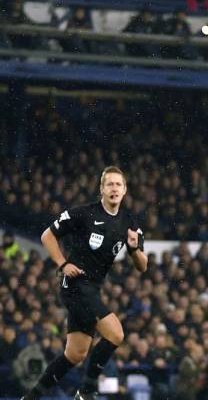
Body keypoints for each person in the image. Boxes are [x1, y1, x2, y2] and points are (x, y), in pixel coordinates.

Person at [22, 166, 148, 400]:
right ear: (101, 189)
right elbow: (47, 236)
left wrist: (134, 249)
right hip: (74, 285)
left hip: (92, 290)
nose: (114, 188)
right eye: (109, 184)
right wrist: (62, 263)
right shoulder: (84, 213)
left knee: (75, 354)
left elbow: (142, 265)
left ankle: (30, 398)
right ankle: (86, 393)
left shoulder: (129, 222)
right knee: (116, 334)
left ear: (124, 190)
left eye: (118, 184)